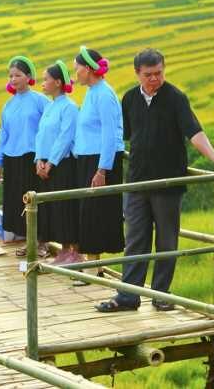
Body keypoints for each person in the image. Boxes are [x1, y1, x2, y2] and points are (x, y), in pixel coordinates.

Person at [96, 48, 214, 313]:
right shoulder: (129, 99)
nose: (154, 79)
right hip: (136, 181)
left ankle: (161, 295)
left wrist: (213, 155)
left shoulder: (175, 98)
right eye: (148, 75)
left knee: (167, 241)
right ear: (137, 74)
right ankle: (128, 296)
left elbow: (194, 131)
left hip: (168, 183)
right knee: (135, 239)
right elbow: (122, 134)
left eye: (159, 73)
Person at [73, 46, 125, 283]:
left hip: (99, 161)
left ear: (88, 69)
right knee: (87, 213)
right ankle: (93, 264)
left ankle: (94, 268)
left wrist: (102, 169)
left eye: (77, 69)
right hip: (87, 159)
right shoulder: (92, 92)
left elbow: (109, 135)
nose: (75, 75)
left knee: (94, 213)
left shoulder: (104, 95)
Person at [0, 56, 49, 257]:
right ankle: (28, 241)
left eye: (18, 75)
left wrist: (44, 157)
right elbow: (4, 134)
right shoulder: (8, 105)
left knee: (35, 201)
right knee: (18, 201)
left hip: (33, 158)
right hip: (12, 158)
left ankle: (42, 242)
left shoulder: (41, 101)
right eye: (11, 76)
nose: (13, 79)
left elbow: (48, 130)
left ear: (29, 77)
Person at [35, 61, 80, 263]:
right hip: (45, 165)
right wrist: (38, 160)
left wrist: (51, 163)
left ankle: (73, 252)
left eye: (46, 79)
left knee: (65, 208)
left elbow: (65, 138)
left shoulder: (69, 107)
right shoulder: (49, 106)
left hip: (62, 165)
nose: (42, 83)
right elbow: (40, 135)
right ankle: (63, 250)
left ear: (58, 82)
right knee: (52, 209)